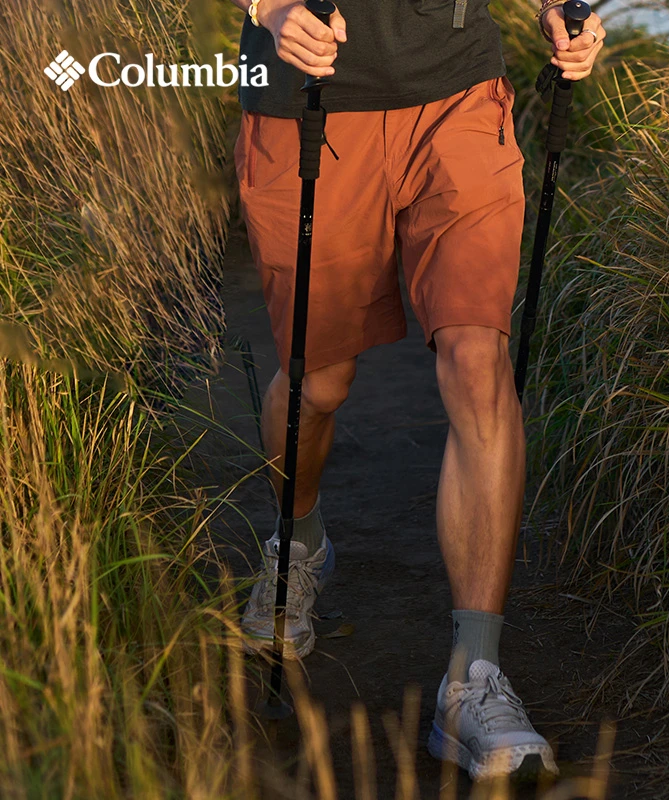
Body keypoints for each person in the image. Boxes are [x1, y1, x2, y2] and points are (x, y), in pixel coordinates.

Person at [231, 0, 604, 781]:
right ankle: (297, 544)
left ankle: (474, 678)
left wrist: (559, 10)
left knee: (478, 361)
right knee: (319, 381)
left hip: (460, 95)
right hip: (311, 96)